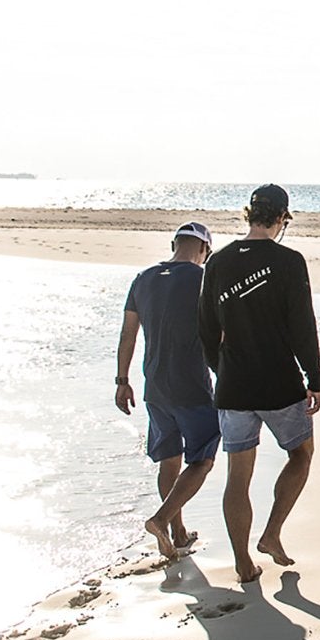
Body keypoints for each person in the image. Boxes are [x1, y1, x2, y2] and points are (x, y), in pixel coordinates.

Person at [198, 183, 320, 584]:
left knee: (238, 475)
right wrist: (314, 376)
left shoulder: (218, 261)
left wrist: (222, 370)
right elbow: (302, 325)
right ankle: (270, 533)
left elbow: (205, 328)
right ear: (282, 218)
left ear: (248, 214)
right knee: (301, 455)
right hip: (278, 382)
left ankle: (242, 563)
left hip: (234, 387)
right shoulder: (289, 260)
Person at [116, 221, 219, 562]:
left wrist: (122, 381)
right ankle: (161, 520)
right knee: (202, 459)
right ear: (204, 249)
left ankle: (177, 531)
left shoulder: (143, 279)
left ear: (174, 243)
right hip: (190, 383)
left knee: (169, 460)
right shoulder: (202, 278)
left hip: (154, 386)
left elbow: (128, 334)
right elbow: (219, 333)